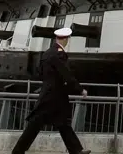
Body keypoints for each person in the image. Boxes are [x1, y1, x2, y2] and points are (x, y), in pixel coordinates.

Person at [10, 26, 89, 154]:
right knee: (35, 124)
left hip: (50, 93)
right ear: (66, 39)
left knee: (63, 123)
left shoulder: (47, 53)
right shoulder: (59, 54)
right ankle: (17, 151)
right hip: (53, 95)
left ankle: (76, 151)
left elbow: (39, 72)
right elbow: (66, 74)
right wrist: (80, 89)